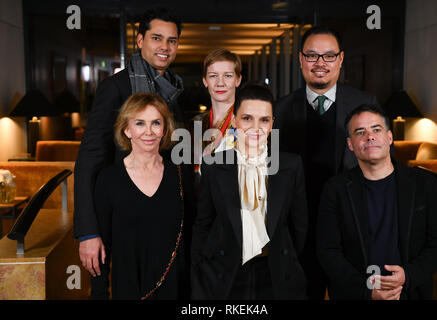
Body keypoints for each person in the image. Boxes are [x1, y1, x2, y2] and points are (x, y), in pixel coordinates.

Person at [74, 8, 184, 278]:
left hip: (159, 210)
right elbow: (90, 157)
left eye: (172, 40)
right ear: (139, 40)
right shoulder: (115, 87)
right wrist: (88, 231)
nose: (165, 47)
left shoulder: (174, 89)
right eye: (157, 38)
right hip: (120, 214)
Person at [273, 26, 378, 299]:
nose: (320, 63)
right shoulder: (280, 110)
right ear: (300, 59)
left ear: (341, 59)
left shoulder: (365, 105)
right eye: (312, 55)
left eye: (329, 56)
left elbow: (379, 168)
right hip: (299, 235)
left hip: (350, 232)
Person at [316, 104, 437, 300]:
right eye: (360, 132)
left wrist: (408, 276)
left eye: (376, 129)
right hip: (356, 294)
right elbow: (328, 251)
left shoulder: (424, 184)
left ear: (389, 137)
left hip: (411, 292)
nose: (369, 136)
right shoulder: (335, 189)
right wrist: (366, 291)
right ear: (350, 144)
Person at [191, 83, 308, 300]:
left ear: (272, 123)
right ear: (234, 120)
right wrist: (198, 273)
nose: (256, 127)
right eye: (247, 118)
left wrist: (288, 261)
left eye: (264, 120)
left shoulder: (291, 165)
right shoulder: (214, 165)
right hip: (226, 272)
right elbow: (203, 224)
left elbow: (299, 226)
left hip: (275, 272)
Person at [90, 92, 194, 300]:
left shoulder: (181, 173)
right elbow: (101, 249)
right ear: (126, 129)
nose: (148, 132)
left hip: (177, 289)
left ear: (164, 129)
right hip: (129, 289)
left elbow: (192, 237)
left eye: (156, 123)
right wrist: (99, 294)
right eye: (139, 123)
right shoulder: (108, 179)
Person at [192, 48, 242, 173]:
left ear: (238, 80)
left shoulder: (247, 124)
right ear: (205, 81)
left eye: (228, 76)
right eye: (213, 76)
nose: (220, 83)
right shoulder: (195, 124)